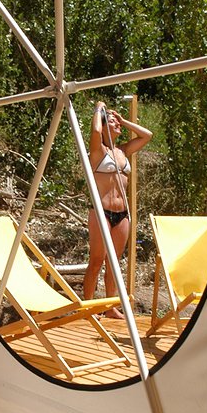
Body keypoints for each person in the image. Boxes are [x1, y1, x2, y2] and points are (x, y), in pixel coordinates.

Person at [83, 100, 152, 318]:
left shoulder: (123, 151)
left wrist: (124, 121)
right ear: (103, 126)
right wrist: (98, 109)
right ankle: (89, 307)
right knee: (96, 260)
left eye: (117, 121)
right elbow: (94, 129)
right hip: (101, 211)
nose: (117, 124)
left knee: (114, 262)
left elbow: (147, 135)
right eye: (112, 121)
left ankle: (109, 306)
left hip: (122, 215)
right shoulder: (97, 149)